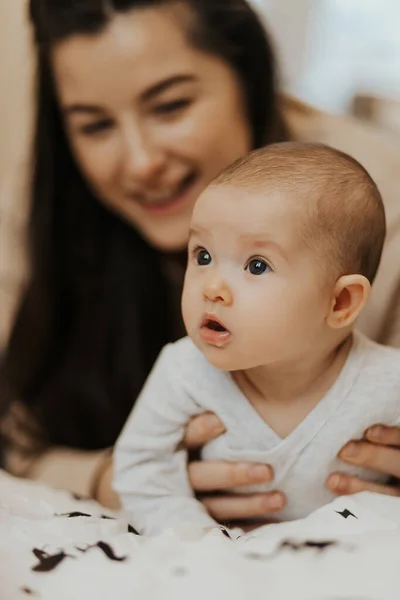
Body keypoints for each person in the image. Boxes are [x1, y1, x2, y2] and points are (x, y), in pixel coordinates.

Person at [1, 0, 400, 523]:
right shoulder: (44, 210)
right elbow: (14, 438)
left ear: (248, 78)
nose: (141, 163)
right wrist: (108, 479)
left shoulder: (378, 204)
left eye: (170, 106)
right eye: (95, 126)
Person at [114, 142, 400, 535]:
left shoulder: (387, 381)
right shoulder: (184, 371)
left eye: (257, 265)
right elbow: (140, 465)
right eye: (202, 256)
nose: (212, 287)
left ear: (340, 302)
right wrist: (196, 539)